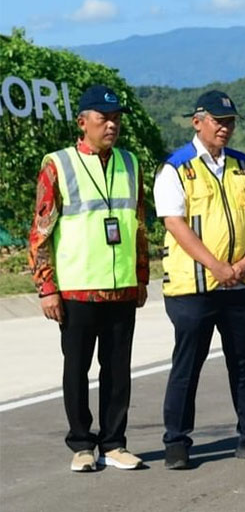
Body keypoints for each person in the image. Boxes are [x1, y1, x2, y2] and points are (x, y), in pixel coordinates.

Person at [153, 90, 245, 469]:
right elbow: (174, 223)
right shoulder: (176, 168)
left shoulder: (244, 165)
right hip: (193, 287)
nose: (225, 128)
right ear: (197, 122)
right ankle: (176, 441)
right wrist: (215, 265)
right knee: (187, 365)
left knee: (244, 363)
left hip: (239, 284)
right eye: (217, 121)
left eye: (229, 122)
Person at [28, 84, 147, 472]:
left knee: (118, 371)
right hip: (77, 288)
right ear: (83, 122)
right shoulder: (58, 165)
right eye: (103, 118)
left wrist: (141, 276)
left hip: (122, 287)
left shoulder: (130, 163)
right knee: (77, 369)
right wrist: (47, 287)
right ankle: (81, 445)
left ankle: (114, 443)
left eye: (116, 119)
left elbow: (139, 225)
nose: (111, 125)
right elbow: (40, 231)